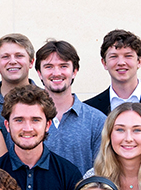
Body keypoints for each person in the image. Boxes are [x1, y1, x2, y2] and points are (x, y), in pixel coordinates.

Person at [35, 39, 107, 174]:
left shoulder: (96, 120)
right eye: (49, 66)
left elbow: (102, 171)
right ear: (39, 73)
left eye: (63, 66)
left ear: (74, 71)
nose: (56, 73)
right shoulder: (26, 121)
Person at [0, 33, 35, 159]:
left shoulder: (47, 101)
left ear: (31, 62)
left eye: (19, 56)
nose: (12, 61)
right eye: (5, 57)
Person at [84, 29, 141, 115]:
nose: (121, 62)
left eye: (128, 56)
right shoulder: (88, 109)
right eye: (113, 56)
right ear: (104, 63)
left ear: (139, 61)